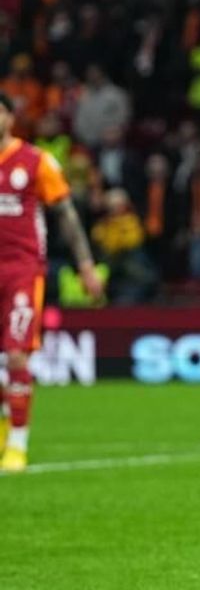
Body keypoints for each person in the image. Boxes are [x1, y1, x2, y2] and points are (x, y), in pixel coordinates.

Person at [0, 92, 103, 472]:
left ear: (10, 118)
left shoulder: (36, 161)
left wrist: (85, 265)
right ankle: (5, 420)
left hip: (22, 271)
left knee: (16, 354)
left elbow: (66, 215)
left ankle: (17, 444)